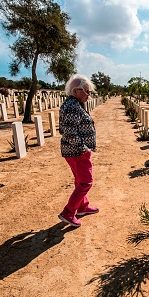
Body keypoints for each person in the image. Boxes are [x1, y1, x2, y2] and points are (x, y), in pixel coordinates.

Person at [58, 74, 98, 227]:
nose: (89, 95)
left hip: (76, 151)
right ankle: (68, 212)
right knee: (85, 182)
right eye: (86, 91)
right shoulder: (73, 107)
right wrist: (83, 148)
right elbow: (68, 132)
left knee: (80, 180)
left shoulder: (75, 104)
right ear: (76, 91)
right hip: (77, 152)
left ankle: (82, 206)